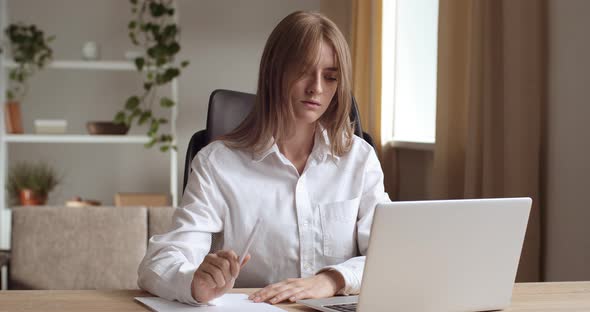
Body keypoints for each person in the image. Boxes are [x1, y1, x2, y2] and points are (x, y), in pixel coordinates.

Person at [137, 10, 390, 305]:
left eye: (331, 77)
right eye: (305, 71)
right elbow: (156, 265)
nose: (317, 88)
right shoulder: (217, 164)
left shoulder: (359, 159)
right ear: (275, 71)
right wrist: (194, 283)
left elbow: (389, 257)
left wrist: (331, 279)